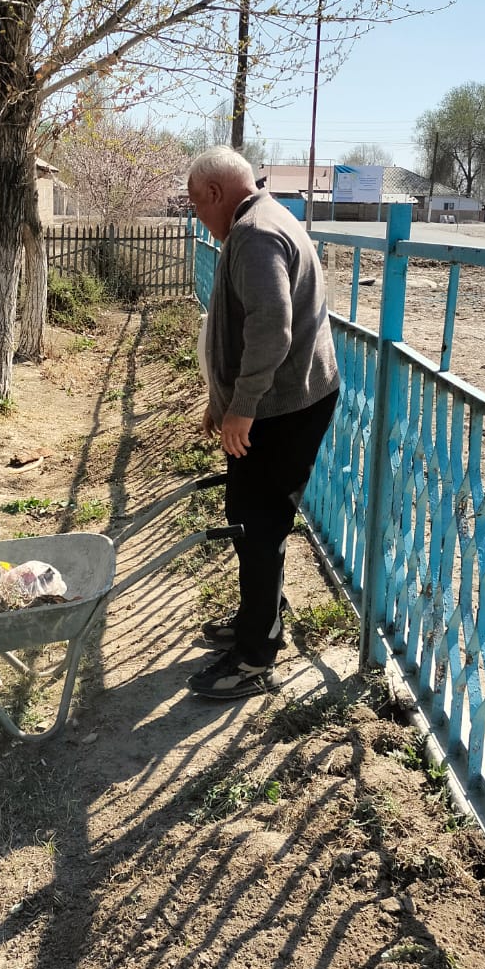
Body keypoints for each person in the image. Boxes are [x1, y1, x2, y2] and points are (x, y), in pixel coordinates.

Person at [186, 149, 340, 702]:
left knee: (256, 523)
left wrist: (242, 407)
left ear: (212, 193)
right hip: (285, 399)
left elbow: (272, 330)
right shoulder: (266, 217)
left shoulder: (252, 236)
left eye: (193, 202)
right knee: (254, 518)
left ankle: (255, 657)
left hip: (281, 407)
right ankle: (263, 617)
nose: (196, 215)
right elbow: (244, 325)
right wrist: (221, 398)